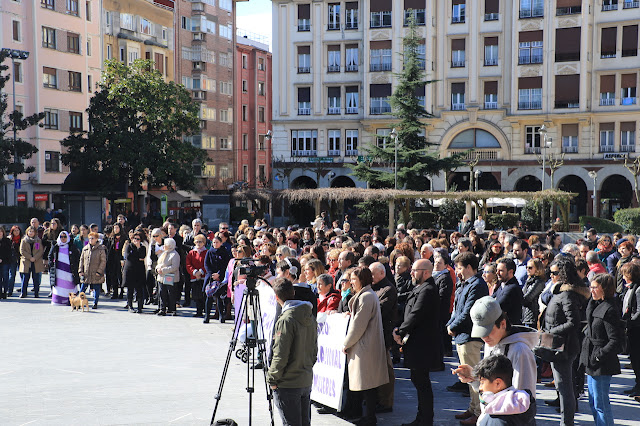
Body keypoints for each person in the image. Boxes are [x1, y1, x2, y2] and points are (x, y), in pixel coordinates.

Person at [454, 296, 538, 395]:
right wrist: (474, 378)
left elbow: (523, 399)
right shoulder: (491, 342)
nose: (484, 337)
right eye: (480, 332)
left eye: (488, 331)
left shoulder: (520, 351)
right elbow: (489, 390)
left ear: (503, 324)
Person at [542, 257, 589, 426]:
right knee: (563, 388)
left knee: (565, 389)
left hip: (564, 347)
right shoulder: (561, 292)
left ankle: (566, 423)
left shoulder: (568, 294)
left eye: (554, 273)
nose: (551, 276)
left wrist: (550, 332)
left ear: (563, 275)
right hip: (558, 344)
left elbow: (573, 322)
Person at [393, 259, 440, 426]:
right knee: (419, 381)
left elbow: (416, 314)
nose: (411, 273)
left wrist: (400, 331)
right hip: (416, 344)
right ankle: (422, 418)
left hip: (423, 346)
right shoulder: (420, 288)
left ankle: (425, 420)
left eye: (415, 270)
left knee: (422, 383)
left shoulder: (427, 289)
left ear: (425, 272)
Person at [342, 266, 389, 426]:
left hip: (365, 346)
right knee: (367, 384)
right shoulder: (367, 295)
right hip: (366, 344)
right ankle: (367, 416)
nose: (351, 282)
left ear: (361, 279)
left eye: (354, 279)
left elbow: (358, 325)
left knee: (367, 384)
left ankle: (370, 418)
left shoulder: (366, 297)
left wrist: (346, 343)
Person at [267, 277, 317, 426]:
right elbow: (314, 350)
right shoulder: (309, 315)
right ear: (293, 292)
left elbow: (280, 354)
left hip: (288, 383)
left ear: (277, 298)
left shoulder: (286, 320)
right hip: (305, 379)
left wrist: (272, 378)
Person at [446, 252, 489, 425]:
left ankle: (479, 412)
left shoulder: (477, 284)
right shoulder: (465, 284)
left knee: (474, 377)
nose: (457, 271)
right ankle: (472, 407)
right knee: (469, 377)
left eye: (460, 267)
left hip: (470, 336)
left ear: (470, 267)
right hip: (462, 336)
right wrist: (450, 324)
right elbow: (457, 310)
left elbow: (468, 311)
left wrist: (452, 327)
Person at [581, 273, 623, 426]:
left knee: (601, 404)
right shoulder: (595, 303)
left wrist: (599, 355)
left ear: (604, 289)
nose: (591, 290)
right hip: (592, 359)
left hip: (601, 362)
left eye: (595, 287)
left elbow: (614, 339)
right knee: (593, 402)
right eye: (590, 287)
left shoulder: (610, 309)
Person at [473, 355, 536, 426]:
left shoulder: (496, 417)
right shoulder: (523, 405)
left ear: (498, 383)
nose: (480, 388)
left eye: (482, 383)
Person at [370, 261, 398, 412]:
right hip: (374, 334)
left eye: (373, 274)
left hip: (383, 334)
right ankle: (377, 399)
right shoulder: (373, 288)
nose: (371, 277)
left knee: (386, 370)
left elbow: (379, 310)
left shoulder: (388, 289)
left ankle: (386, 402)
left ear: (382, 273)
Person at [621, 262, 640, 397]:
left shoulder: (638, 290)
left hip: (636, 328)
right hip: (631, 327)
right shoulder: (630, 287)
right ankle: (637, 384)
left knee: (637, 358)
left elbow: (639, 310)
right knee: (634, 358)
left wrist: (631, 321)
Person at [203, 236, 231, 323]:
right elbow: (206, 264)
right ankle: (207, 316)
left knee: (219, 297)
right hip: (211, 277)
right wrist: (211, 274)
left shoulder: (224, 252)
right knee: (209, 296)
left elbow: (225, 265)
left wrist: (219, 274)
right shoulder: (209, 252)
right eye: (214, 242)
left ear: (221, 243)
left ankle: (221, 316)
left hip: (220, 277)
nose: (215, 244)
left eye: (217, 242)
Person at [48, 231, 81, 305]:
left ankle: (72, 301)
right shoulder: (56, 246)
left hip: (69, 271)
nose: (63, 238)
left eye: (65, 237)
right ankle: (58, 301)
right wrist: (51, 265)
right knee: (59, 286)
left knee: (69, 285)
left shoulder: (72, 246)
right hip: (58, 271)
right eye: (61, 237)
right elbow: (50, 256)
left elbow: (77, 257)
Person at [78, 232, 107, 309]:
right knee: (82, 288)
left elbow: (103, 261)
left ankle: (95, 303)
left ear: (96, 239)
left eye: (93, 238)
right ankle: (79, 302)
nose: (91, 240)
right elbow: (81, 260)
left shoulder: (101, 249)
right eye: (90, 238)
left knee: (96, 288)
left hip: (96, 272)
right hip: (86, 273)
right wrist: (80, 271)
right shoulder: (85, 248)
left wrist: (99, 271)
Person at [493, 258, 524, 325]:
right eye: (497, 270)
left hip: (510, 329)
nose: (497, 273)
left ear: (510, 272)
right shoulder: (502, 285)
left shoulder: (513, 288)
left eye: (501, 271)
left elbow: (497, 306)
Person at [122, 231, 147, 313]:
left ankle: (140, 306)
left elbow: (142, 256)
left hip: (139, 270)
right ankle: (130, 305)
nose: (136, 240)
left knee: (139, 289)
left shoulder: (142, 248)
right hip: (130, 270)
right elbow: (129, 257)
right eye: (134, 238)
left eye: (138, 239)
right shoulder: (129, 246)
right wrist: (137, 257)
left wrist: (138, 248)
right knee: (130, 289)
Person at [155, 238, 180, 316]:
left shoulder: (175, 254)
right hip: (161, 277)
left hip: (170, 277)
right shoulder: (163, 253)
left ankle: (172, 309)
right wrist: (157, 269)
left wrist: (163, 270)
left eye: (165, 245)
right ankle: (162, 308)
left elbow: (174, 267)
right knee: (162, 293)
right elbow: (158, 263)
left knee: (171, 294)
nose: (164, 246)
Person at [19, 226, 45, 298]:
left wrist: (35, 258)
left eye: (32, 231)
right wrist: (30, 257)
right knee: (25, 278)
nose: (31, 233)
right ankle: (23, 293)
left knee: (36, 278)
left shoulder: (38, 240)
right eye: (29, 231)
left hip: (36, 261)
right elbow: (22, 250)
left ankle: (36, 293)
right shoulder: (24, 240)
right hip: (26, 261)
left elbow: (40, 250)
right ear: (27, 232)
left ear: (35, 233)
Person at [521, 258, 546, 330]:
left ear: (537, 269)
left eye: (530, 268)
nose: (527, 269)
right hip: (525, 315)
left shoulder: (538, 282)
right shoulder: (529, 280)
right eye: (527, 267)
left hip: (532, 317)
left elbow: (527, 299)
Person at [7, 226, 22, 297]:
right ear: (12, 231)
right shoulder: (9, 239)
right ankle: (10, 291)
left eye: (17, 230)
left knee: (22, 275)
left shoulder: (22, 239)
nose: (16, 232)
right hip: (12, 259)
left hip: (21, 259)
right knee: (12, 275)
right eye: (15, 230)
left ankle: (23, 290)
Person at [0, 227, 11, 299]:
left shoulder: (7, 240)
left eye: (0, 232)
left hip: (5, 261)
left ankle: (5, 292)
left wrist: (2, 258)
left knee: (5, 277)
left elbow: (8, 251)